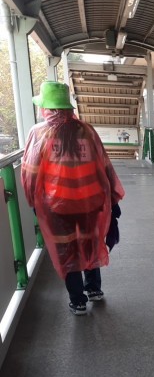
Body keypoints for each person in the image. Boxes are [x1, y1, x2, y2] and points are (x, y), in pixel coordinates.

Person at [21, 81, 125, 315]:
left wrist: (33, 203)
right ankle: (94, 289)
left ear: (46, 107)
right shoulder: (86, 130)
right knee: (89, 242)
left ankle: (78, 300)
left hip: (57, 206)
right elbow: (104, 166)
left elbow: (30, 172)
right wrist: (113, 198)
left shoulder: (38, 133)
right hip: (90, 202)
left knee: (66, 249)